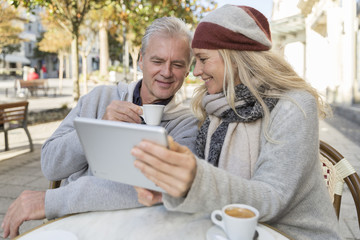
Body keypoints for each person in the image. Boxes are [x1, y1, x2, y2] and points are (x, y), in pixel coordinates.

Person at [131, 5, 342, 239]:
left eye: (202, 59)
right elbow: (213, 192)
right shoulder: (215, 107)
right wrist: (174, 189)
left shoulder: (294, 106)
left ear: (235, 58)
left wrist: (195, 181)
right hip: (230, 228)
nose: (196, 71)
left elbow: (273, 198)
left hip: (291, 233)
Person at [1, 17, 198, 239]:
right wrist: (97, 129)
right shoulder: (99, 98)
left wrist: (52, 201)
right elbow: (50, 165)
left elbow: (160, 188)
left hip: (135, 230)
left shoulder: (188, 124)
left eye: (178, 64)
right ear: (141, 60)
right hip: (72, 224)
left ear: (187, 70)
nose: (167, 72)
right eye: (157, 60)